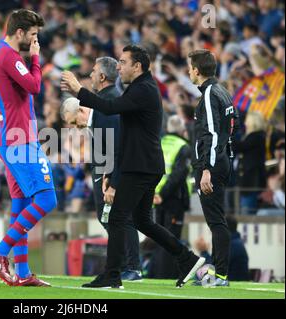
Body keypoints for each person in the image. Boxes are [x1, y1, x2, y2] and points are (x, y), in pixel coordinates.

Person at [61, 45, 205, 289]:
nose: (119, 67)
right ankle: (187, 259)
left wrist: (78, 90)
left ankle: (113, 274)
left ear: (137, 66)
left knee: (117, 217)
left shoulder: (143, 90)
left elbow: (109, 108)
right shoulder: (141, 88)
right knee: (142, 221)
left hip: (140, 166)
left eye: (123, 62)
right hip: (146, 165)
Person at [0, 9, 57, 287]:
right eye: (33, 35)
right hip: (19, 139)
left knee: (22, 204)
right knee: (47, 199)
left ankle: (22, 272)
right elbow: (35, 86)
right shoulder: (9, 57)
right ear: (20, 33)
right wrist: (35, 58)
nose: (36, 40)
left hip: (12, 135)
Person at [61, 81, 142, 280]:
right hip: (104, 170)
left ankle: (132, 266)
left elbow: (115, 150)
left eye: (73, 122)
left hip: (113, 172)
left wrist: (111, 178)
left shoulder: (102, 117)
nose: (74, 127)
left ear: (80, 110)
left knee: (121, 219)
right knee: (107, 218)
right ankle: (124, 264)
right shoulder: (94, 121)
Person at [187, 49, 238, 287]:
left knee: (216, 221)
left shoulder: (208, 93)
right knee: (216, 220)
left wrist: (207, 168)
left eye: (190, 67)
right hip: (222, 161)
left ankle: (221, 276)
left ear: (196, 70)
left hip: (212, 165)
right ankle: (218, 274)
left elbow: (213, 133)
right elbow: (232, 127)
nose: (188, 71)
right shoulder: (223, 92)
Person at [151, 115, 192, 279]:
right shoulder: (183, 147)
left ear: (168, 128)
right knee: (171, 238)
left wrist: (154, 193)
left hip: (155, 198)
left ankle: (157, 275)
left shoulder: (159, 143)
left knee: (160, 238)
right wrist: (163, 194)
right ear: (183, 130)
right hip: (173, 199)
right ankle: (166, 276)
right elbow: (178, 175)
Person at [233, 111, 267, 215]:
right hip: (247, 182)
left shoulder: (256, 137)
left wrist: (228, 134)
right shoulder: (254, 136)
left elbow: (239, 147)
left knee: (247, 213)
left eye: (247, 121)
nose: (245, 124)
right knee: (244, 209)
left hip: (251, 182)